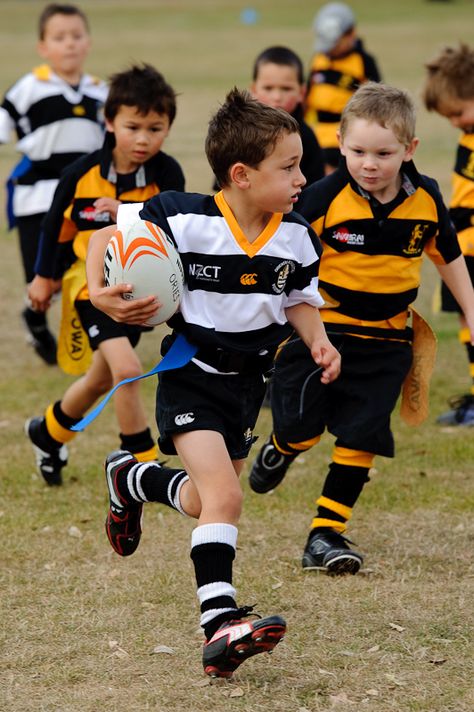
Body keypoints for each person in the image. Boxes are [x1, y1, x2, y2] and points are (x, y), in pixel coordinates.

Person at [85, 88, 341, 678]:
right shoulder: (180, 215)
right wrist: (101, 287)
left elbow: (299, 299)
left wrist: (318, 338)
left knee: (204, 500)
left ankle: (132, 478)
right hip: (191, 376)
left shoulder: (296, 236)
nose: (304, 177)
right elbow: (109, 234)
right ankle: (219, 626)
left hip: (246, 388)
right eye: (290, 166)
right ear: (242, 175)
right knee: (227, 498)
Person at [249, 82, 474, 575]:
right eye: (357, 151)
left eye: (384, 153)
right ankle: (283, 447)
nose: (369, 164)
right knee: (301, 428)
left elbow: (451, 260)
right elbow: (278, 249)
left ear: (410, 150)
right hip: (322, 335)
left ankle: (324, 534)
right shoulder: (325, 196)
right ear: (339, 142)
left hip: (389, 340)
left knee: (363, 435)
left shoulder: (427, 200)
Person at [25, 63, 185, 486]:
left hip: (138, 293)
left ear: (168, 128)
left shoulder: (167, 175)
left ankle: (48, 432)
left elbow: (174, 231)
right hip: (89, 287)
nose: (143, 138)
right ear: (110, 121)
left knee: (101, 377)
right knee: (128, 370)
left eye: (156, 128)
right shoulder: (80, 174)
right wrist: (44, 277)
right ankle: (142, 463)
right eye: (133, 126)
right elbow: (54, 229)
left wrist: (128, 213)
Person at [0, 3, 108, 365]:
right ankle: (34, 317)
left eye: (76, 36)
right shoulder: (30, 87)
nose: (70, 44)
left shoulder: (99, 92)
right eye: (59, 38)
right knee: (41, 277)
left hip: (83, 198)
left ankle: (97, 333)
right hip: (36, 198)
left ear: (88, 42)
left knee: (85, 265)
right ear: (43, 47)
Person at [422, 44, 474, 425]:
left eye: (458, 112)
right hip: (465, 244)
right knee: (465, 318)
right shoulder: (467, 137)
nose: (455, 121)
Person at [304, 2, 381, 174]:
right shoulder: (319, 59)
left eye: (335, 44)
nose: (330, 49)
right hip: (318, 134)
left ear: (351, 33)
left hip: (346, 134)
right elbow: (308, 94)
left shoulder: (363, 61)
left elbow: (377, 101)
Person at [251, 45, 325, 186]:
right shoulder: (240, 133)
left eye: (286, 88)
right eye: (268, 88)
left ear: (302, 93)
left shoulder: (307, 139)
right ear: (254, 90)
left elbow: (315, 193)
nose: (277, 97)